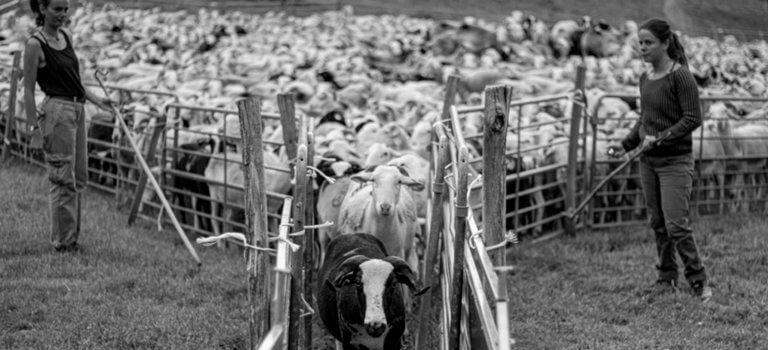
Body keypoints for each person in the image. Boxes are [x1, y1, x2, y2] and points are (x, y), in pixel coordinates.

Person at [606, 18, 713, 302]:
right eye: (640, 42)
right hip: (648, 161)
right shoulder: (646, 78)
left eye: (649, 42)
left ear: (666, 43)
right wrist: (625, 144)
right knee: (658, 222)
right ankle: (667, 276)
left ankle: (698, 279)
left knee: (676, 223)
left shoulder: (681, 76)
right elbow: (645, 119)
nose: (642, 47)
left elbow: (693, 118)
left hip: (674, 162)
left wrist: (663, 136)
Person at [23, 0, 112, 252]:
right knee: (63, 177)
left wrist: (98, 101)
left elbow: (75, 81)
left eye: (66, 9)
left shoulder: (66, 36)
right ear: (42, 9)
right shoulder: (34, 44)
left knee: (79, 176)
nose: (63, 14)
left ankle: (72, 238)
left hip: (77, 109)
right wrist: (34, 131)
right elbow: (28, 90)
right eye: (57, 9)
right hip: (56, 112)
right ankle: (63, 242)